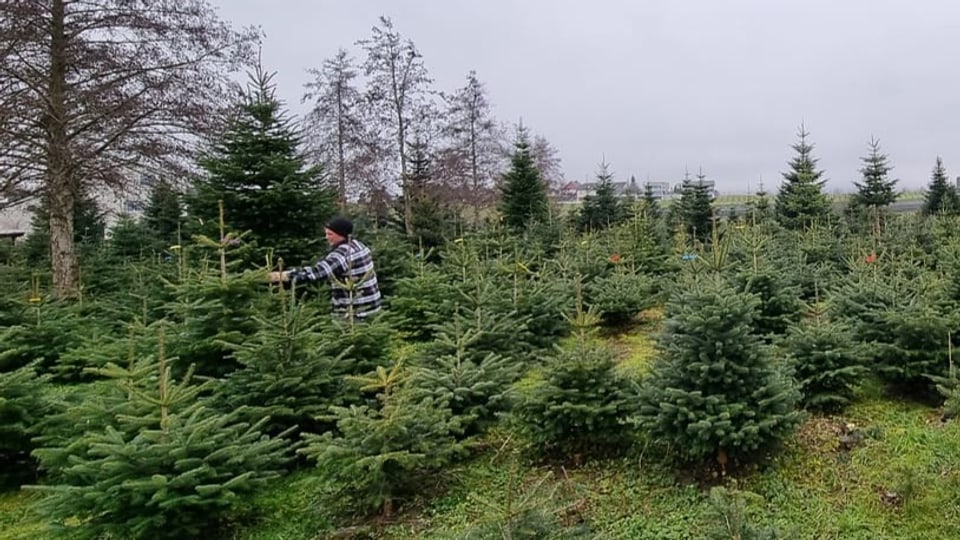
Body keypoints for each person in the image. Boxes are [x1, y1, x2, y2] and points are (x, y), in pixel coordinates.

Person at [269, 216, 381, 319]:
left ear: (341, 234)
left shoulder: (341, 254)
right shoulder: (359, 245)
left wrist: (283, 275)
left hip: (354, 312)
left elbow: (318, 272)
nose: (326, 237)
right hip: (372, 306)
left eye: (330, 234)